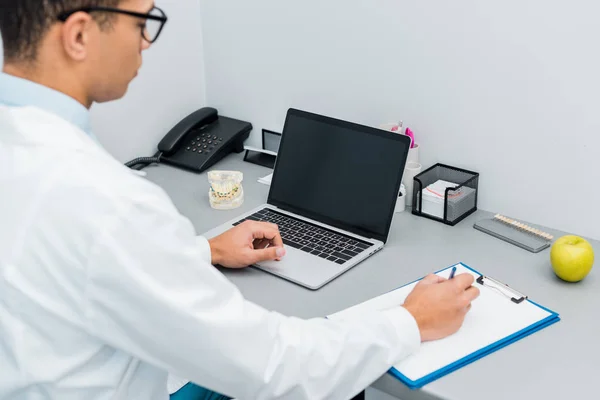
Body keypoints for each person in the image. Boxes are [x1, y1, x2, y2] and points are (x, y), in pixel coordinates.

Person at [0, 1, 480, 399]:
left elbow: (68, 259)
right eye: (142, 22)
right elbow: (274, 366)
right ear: (79, 35)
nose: (146, 41)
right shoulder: (107, 202)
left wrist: (202, 251)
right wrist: (408, 322)